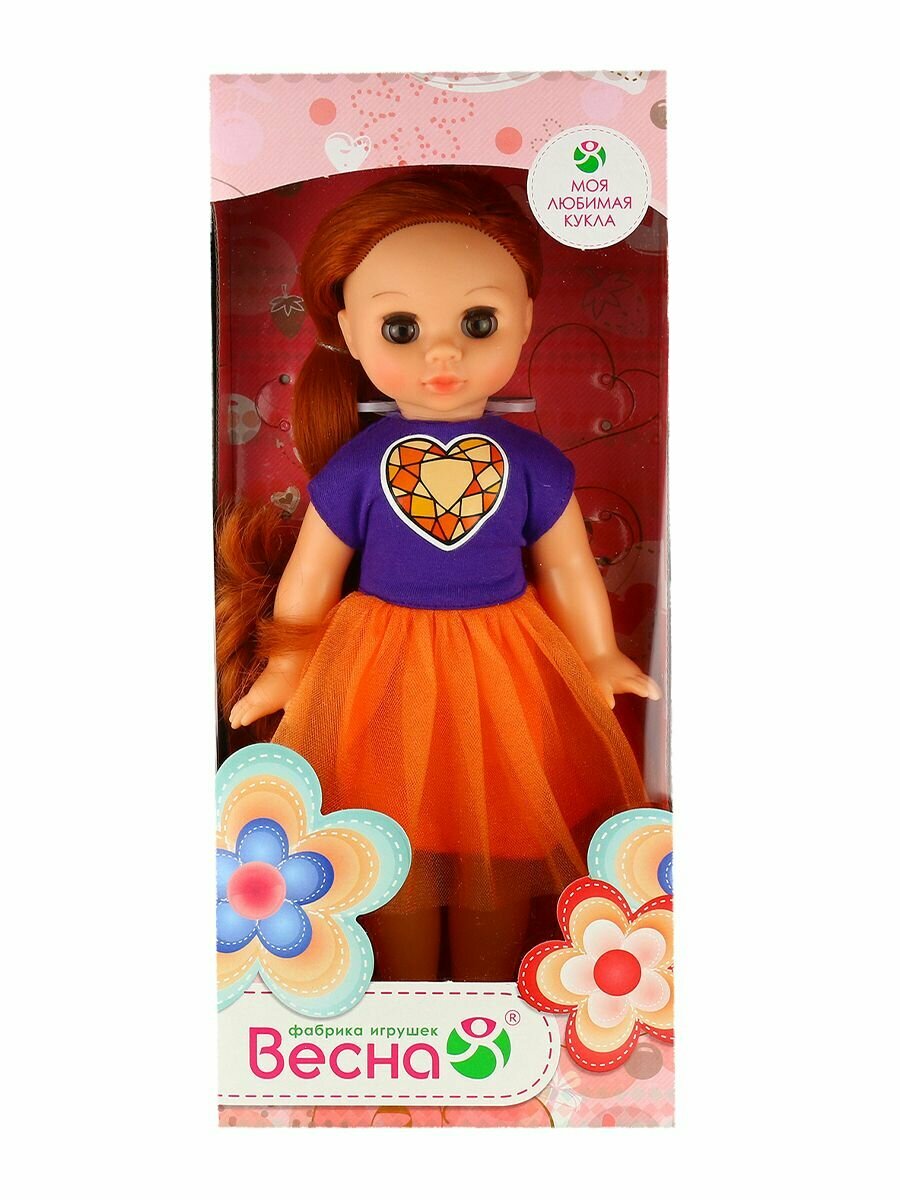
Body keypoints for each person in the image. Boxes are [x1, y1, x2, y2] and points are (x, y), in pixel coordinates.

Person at [218, 170, 660, 981]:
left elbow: (568, 563)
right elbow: (313, 573)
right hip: (381, 665)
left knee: (504, 833)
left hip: (507, 663)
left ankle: (492, 997)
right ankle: (404, 995)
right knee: (392, 837)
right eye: (402, 328)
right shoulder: (359, 467)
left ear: (526, 318)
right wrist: (287, 664)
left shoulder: (529, 463)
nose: (444, 352)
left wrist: (597, 654)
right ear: (349, 331)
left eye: (478, 321)